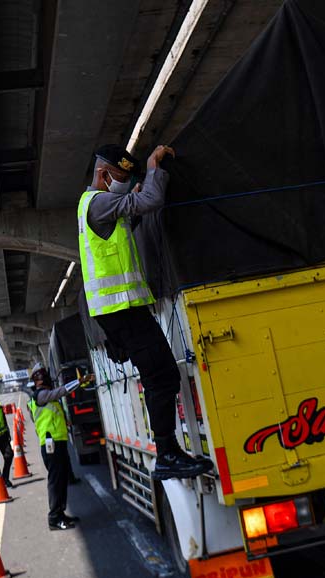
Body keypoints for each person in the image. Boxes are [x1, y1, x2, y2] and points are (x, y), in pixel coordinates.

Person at [77, 143, 213, 481]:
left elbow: (131, 210)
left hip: (120, 312)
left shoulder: (92, 205)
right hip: (122, 311)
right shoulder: (100, 201)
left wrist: (134, 192)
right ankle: (167, 453)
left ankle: (169, 451)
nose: (124, 183)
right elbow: (151, 201)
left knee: (159, 375)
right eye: (120, 177)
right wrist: (154, 167)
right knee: (162, 376)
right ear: (103, 174)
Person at [29, 363, 81, 531]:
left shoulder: (41, 397)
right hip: (51, 445)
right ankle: (54, 518)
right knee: (56, 481)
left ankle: (60, 514)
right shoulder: (41, 395)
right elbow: (61, 392)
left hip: (56, 442)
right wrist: (78, 382)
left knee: (62, 478)